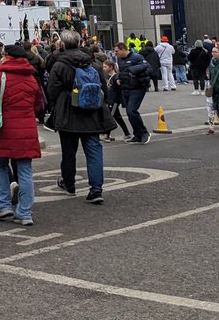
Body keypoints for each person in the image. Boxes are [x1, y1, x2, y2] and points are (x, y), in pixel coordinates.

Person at [46, 31, 108, 204]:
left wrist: (56, 106)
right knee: (94, 150)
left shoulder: (60, 65)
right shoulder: (92, 64)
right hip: (91, 111)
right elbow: (103, 89)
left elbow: (51, 90)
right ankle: (96, 189)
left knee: (68, 152)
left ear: (62, 44)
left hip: (68, 112)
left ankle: (69, 184)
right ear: (80, 43)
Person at [0, 45, 44, 226]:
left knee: (0, 165)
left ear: (7, 57)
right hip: (26, 129)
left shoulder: (0, 76)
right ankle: (25, 213)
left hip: (4, 128)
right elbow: (38, 105)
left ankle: (4, 207)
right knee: (25, 170)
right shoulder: (31, 77)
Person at [114, 42, 151, 143]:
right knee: (129, 112)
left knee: (131, 110)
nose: (115, 53)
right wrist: (118, 78)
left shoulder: (137, 57)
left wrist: (135, 73)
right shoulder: (120, 59)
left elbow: (149, 69)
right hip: (126, 88)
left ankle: (144, 133)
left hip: (137, 87)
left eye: (117, 51)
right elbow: (120, 72)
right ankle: (137, 134)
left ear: (123, 49)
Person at [99, 53, 131, 142]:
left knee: (110, 117)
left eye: (105, 67)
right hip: (109, 99)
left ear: (111, 67)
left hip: (114, 100)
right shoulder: (107, 76)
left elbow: (118, 85)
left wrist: (119, 83)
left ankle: (107, 134)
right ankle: (127, 133)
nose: (104, 69)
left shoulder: (115, 76)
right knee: (117, 117)